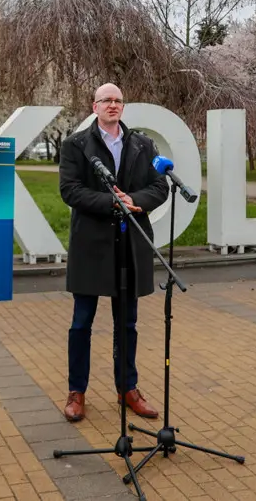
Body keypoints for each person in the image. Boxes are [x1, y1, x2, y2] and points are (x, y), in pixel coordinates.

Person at [58, 83, 169, 423]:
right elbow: (70, 190)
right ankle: (77, 391)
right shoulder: (76, 145)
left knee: (128, 323)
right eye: (106, 100)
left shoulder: (142, 143)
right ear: (94, 105)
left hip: (130, 244)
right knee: (81, 323)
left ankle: (128, 388)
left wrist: (137, 201)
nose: (113, 105)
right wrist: (111, 201)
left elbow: (159, 186)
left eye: (118, 100)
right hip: (91, 245)